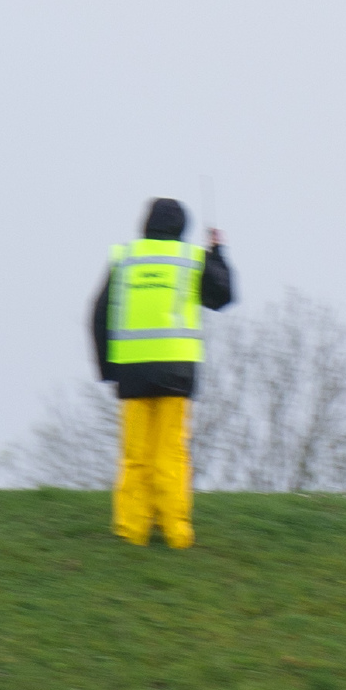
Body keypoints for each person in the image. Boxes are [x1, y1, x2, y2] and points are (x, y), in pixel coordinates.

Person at [90, 198, 235, 548]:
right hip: (176, 371)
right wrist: (217, 253)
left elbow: (99, 314)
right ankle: (176, 532)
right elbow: (222, 297)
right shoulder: (191, 258)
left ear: (147, 223)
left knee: (135, 455)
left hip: (132, 371)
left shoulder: (126, 257)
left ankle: (132, 530)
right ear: (182, 227)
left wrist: (108, 368)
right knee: (170, 453)